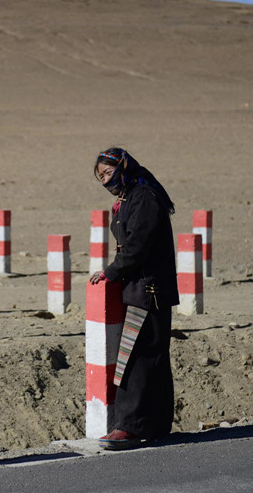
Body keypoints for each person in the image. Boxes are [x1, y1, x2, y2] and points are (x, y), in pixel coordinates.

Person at [89, 147, 178, 450]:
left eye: (109, 172)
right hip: (147, 288)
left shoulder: (143, 197)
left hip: (148, 289)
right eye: (100, 176)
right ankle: (157, 424)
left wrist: (110, 272)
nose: (105, 180)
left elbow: (138, 245)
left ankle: (129, 427)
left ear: (124, 167)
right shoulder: (135, 195)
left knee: (137, 358)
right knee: (153, 356)